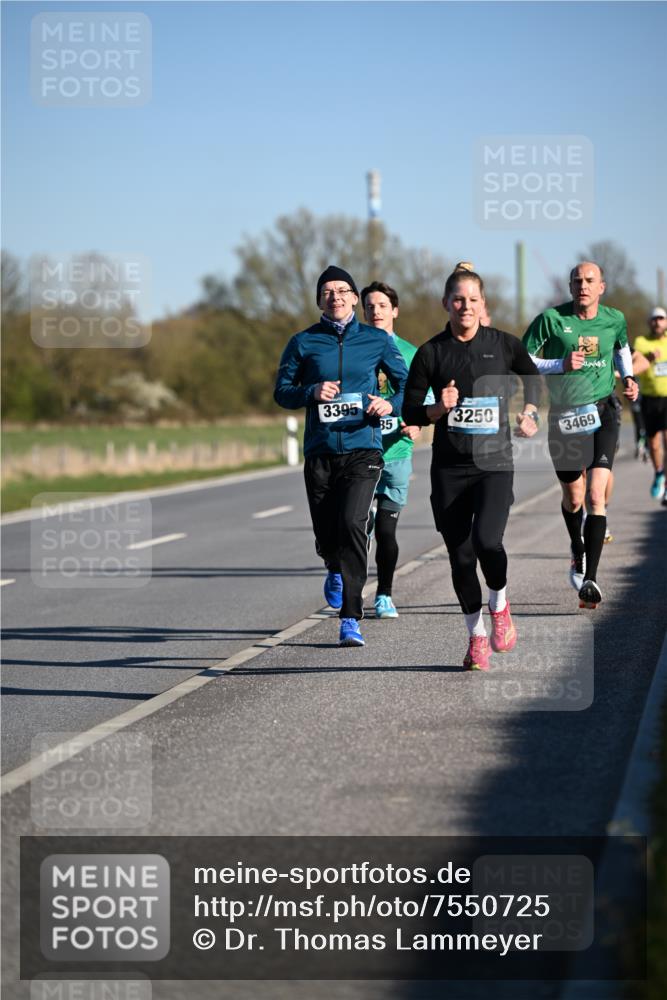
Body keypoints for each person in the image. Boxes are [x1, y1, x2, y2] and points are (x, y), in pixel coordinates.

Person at [403, 264, 539, 672]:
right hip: (449, 468)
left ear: (483, 305)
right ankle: (476, 636)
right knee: (460, 557)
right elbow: (411, 410)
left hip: (494, 463)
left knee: (487, 542)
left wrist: (529, 413)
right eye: (458, 300)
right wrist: (438, 408)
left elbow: (531, 376)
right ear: (446, 304)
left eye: (473, 300)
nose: (465, 306)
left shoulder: (503, 344)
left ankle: (499, 603)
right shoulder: (432, 352)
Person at [273, 265, 408, 647]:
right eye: (327, 291)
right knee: (326, 530)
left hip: (363, 448)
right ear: (320, 300)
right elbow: (282, 391)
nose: (335, 296)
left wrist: (389, 405)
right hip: (320, 451)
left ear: (353, 298)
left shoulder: (376, 340)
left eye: (342, 290)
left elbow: (405, 385)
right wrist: (311, 392)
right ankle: (332, 563)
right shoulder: (303, 342)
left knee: (353, 522)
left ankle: (350, 617)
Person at [523, 262, 638, 609]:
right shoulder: (551, 320)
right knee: (573, 498)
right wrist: (559, 365)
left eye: (590, 281)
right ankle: (577, 549)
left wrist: (628, 378)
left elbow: (621, 349)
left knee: (595, 494)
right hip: (564, 415)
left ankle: (591, 579)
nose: (583, 286)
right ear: (570, 286)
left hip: (603, 411)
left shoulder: (615, 318)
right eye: (577, 281)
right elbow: (524, 357)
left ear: (601, 286)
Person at [361, 281, 433, 619]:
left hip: (396, 453)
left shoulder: (412, 353)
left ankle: (384, 595)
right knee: (354, 530)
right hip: (358, 453)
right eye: (369, 306)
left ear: (395, 311)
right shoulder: (354, 349)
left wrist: (417, 423)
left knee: (387, 531)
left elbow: (428, 399)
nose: (375, 311)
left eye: (381, 306)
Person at [632, 306, 667, 501]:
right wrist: (649, 358)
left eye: (661, 319)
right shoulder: (642, 342)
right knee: (654, 444)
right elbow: (634, 364)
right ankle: (659, 473)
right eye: (654, 319)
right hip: (650, 398)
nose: (657, 322)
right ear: (649, 323)